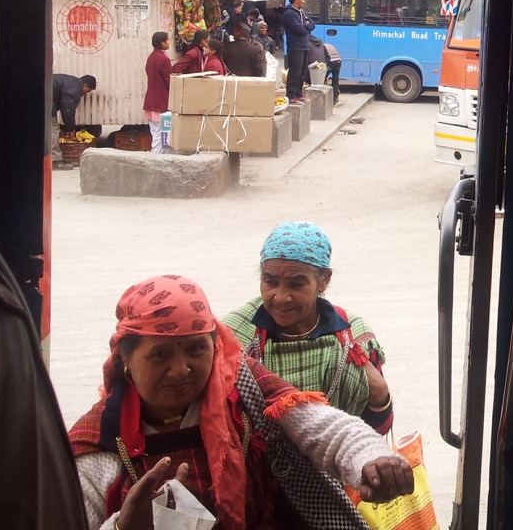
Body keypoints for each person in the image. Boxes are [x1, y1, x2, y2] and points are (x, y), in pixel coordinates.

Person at [67, 275, 412, 530]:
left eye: (196, 349)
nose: (181, 369)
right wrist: (122, 527)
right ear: (126, 357)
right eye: (160, 354)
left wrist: (372, 458)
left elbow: (325, 428)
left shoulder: (243, 386)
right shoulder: (97, 443)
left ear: (215, 346)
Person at [225, 222, 395, 437]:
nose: (281, 296)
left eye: (296, 284)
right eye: (270, 282)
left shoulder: (354, 339)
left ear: (324, 280)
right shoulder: (233, 336)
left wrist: (379, 391)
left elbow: (377, 430)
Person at [51, 73, 97, 166]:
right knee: (53, 129)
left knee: (50, 126)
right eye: (87, 91)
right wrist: (71, 128)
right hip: (43, 101)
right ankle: (54, 160)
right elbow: (68, 110)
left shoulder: (71, 82)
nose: (85, 94)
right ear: (85, 86)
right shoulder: (74, 89)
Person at [283, 0, 315, 104]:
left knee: (302, 71)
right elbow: (300, 30)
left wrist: (306, 26)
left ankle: (299, 93)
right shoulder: (289, 14)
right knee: (295, 71)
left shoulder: (301, 12)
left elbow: (312, 24)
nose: (304, 1)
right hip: (295, 46)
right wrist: (305, 26)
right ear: (296, 0)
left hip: (304, 45)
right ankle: (291, 95)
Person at [143, 31, 172, 153]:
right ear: (162, 43)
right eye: (168, 40)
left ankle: (156, 157)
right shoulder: (163, 59)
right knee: (162, 137)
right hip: (161, 103)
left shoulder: (152, 57)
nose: (169, 42)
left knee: (155, 134)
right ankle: (157, 159)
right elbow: (169, 80)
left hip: (151, 101)